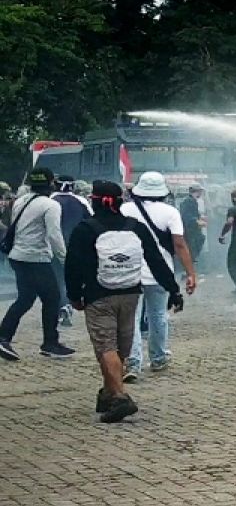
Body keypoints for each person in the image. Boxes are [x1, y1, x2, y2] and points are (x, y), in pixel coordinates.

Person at [65, 181, 186, 422]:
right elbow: (155, 260)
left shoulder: (85, 229)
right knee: (120, 347)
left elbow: (72, 266)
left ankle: (120, 397)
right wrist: (173, 289)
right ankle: (109, 392)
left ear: (95, 200)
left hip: (99, 296)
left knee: (106, 347)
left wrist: (73, 295)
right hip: (131, 294)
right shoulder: (135, 227)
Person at [121, 171, 197, 378]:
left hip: (129, 271)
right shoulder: (170, 212)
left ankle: (133, 363)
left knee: (131, 319)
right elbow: (179, 244)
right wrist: (191, 273)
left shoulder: (125, 208)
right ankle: (158, 358)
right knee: (158, 316)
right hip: (160, 272)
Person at [0, 167, 74, 361]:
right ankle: (50, 343)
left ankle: (4, 337)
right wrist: (66, 259)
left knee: (25, 298)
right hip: (36, 257)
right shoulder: (50, 205)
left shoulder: (21, 201)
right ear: (50, 183)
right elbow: (54, 235)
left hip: (18, 255)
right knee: (53, 298)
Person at [51, 176, 92, 328]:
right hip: (76, 247)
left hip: (53, 247)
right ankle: (67, 304)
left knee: (57, 278)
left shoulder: (50, 199)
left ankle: (61, 306)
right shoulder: (81, 201)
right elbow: (91, 222)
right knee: (71, 278)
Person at [179, 186, 207, 274]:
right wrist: (197, 221)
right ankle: (188, 268)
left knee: (197, 242)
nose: (201, 194)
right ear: (196, 192)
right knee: (192, 246)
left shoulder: (192, 200)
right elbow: (186, 215)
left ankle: (190, 266)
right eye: (200, 192)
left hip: (192, 228)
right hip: (189, 228)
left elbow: (193, 213)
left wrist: (200, 217)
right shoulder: (189, 201)